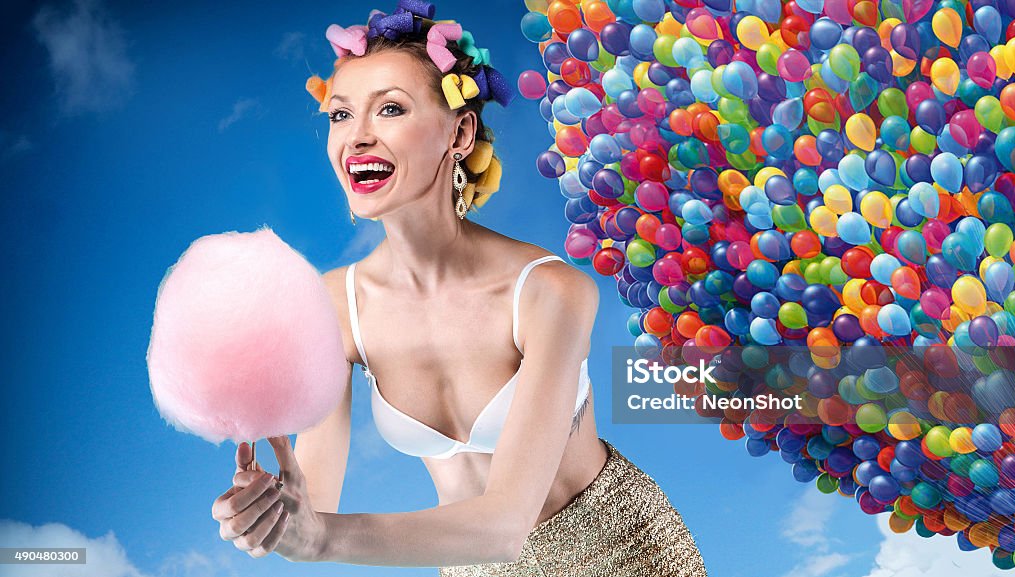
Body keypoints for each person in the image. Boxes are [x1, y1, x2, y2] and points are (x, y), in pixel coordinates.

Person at [210, 2, 708, 575]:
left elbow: (503, 526)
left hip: (622, 555)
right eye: (341, 116)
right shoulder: (334, 306)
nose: (358, 137)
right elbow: (313, 508)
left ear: (460, 131)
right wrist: (270, 514)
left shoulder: (548, 293)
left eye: (390, 109)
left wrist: (320, 538)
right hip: (468, 565)